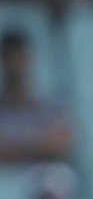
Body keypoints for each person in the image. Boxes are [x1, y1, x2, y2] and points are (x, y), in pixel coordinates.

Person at [0, 30, 73, 165]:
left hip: (43, 179)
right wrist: (40, 144)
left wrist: (11, 146)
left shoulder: (49, 104)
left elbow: (60, 143)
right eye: (10, 57)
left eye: (20, 57)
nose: (15, 65)